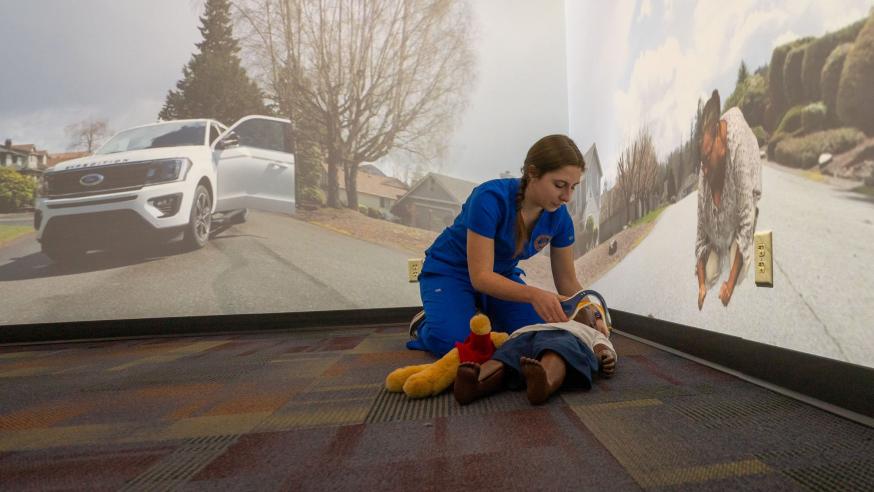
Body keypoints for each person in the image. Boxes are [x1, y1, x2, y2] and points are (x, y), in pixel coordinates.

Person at [408, 134, 596, 357]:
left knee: (537, 333)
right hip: (451, 272)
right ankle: (425, 323)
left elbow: (567, 280)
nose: (567, 197)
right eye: (559, 185)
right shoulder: (488, 198)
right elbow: (481, 277)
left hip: (501, 277)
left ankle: (481, 314)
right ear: (532, 173)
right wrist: (534, 294)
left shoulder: (560, 218)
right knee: (458, 345)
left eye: (573, 187)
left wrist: (591, 310)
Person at [453, 304, 617, 406]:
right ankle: (475, 384)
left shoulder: (589, 331)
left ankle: (544, 383)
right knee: (505, 356)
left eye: (587, 309)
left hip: (568, 338)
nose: (580, 308)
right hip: (527, 335)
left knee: (557, 350)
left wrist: (605, 354)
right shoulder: (547, 321)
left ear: (592, 323)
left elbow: (602, 346)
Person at [695, 90, 762, 310]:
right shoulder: (706, 167)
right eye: (701, 162)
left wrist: (730, 286)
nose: (704, 170)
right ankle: (723, 246)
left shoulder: (738, 147)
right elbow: (699, 236)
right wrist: (701, 285)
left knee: (740, 271)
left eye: (706, 159)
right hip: (720, 229)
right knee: (709, 272)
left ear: (718, 138)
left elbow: (744, 219)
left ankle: (743, 243)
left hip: (745, 197)